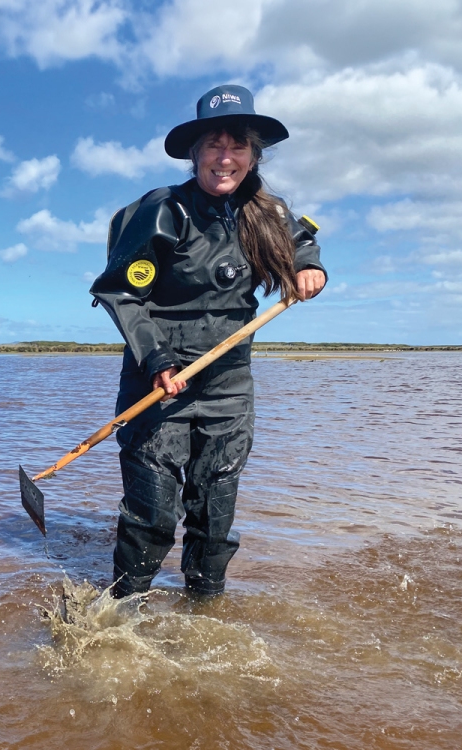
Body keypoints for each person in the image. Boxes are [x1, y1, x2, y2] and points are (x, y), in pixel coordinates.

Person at [90, 84, 327, 598]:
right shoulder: (163, 211)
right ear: (195, 154)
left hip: (228, 384)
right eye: (214, 146)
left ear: (253, 155)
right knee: (153, 515)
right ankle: (120, 614)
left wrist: (310, 268)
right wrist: (156, 358)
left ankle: (204, 610)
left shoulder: (269, 212)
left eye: (237, 145)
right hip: (159, 378)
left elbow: (303, 243)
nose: (225, 157)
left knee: (216, 510)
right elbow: (120, 293)